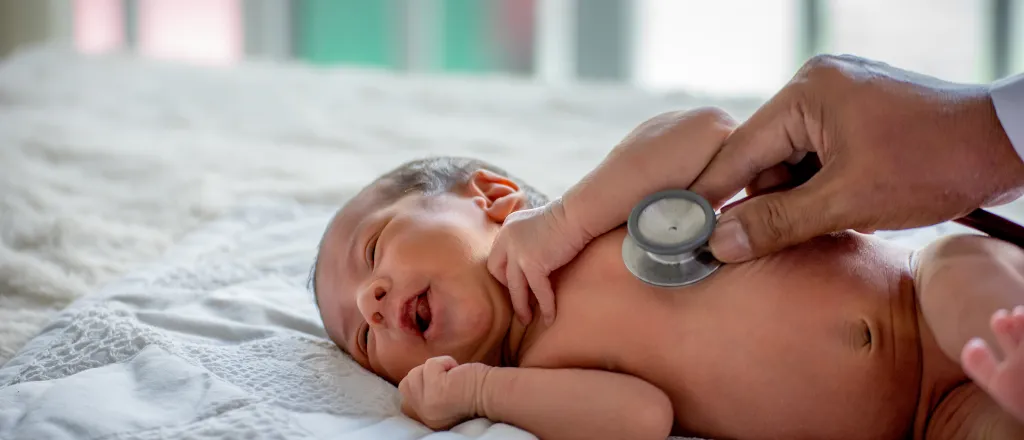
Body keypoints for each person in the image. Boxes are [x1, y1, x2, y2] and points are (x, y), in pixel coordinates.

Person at [309, 108, 1024, 439]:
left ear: (493, 199)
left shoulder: (588, 221)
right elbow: (640, 418)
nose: (368, 303)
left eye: (373, 253)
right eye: (363, 342)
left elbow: (708, 134)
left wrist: (565, 219)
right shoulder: (543, 369)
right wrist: (481, 392)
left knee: (963, 273)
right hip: (929, 423)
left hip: (921, 299)